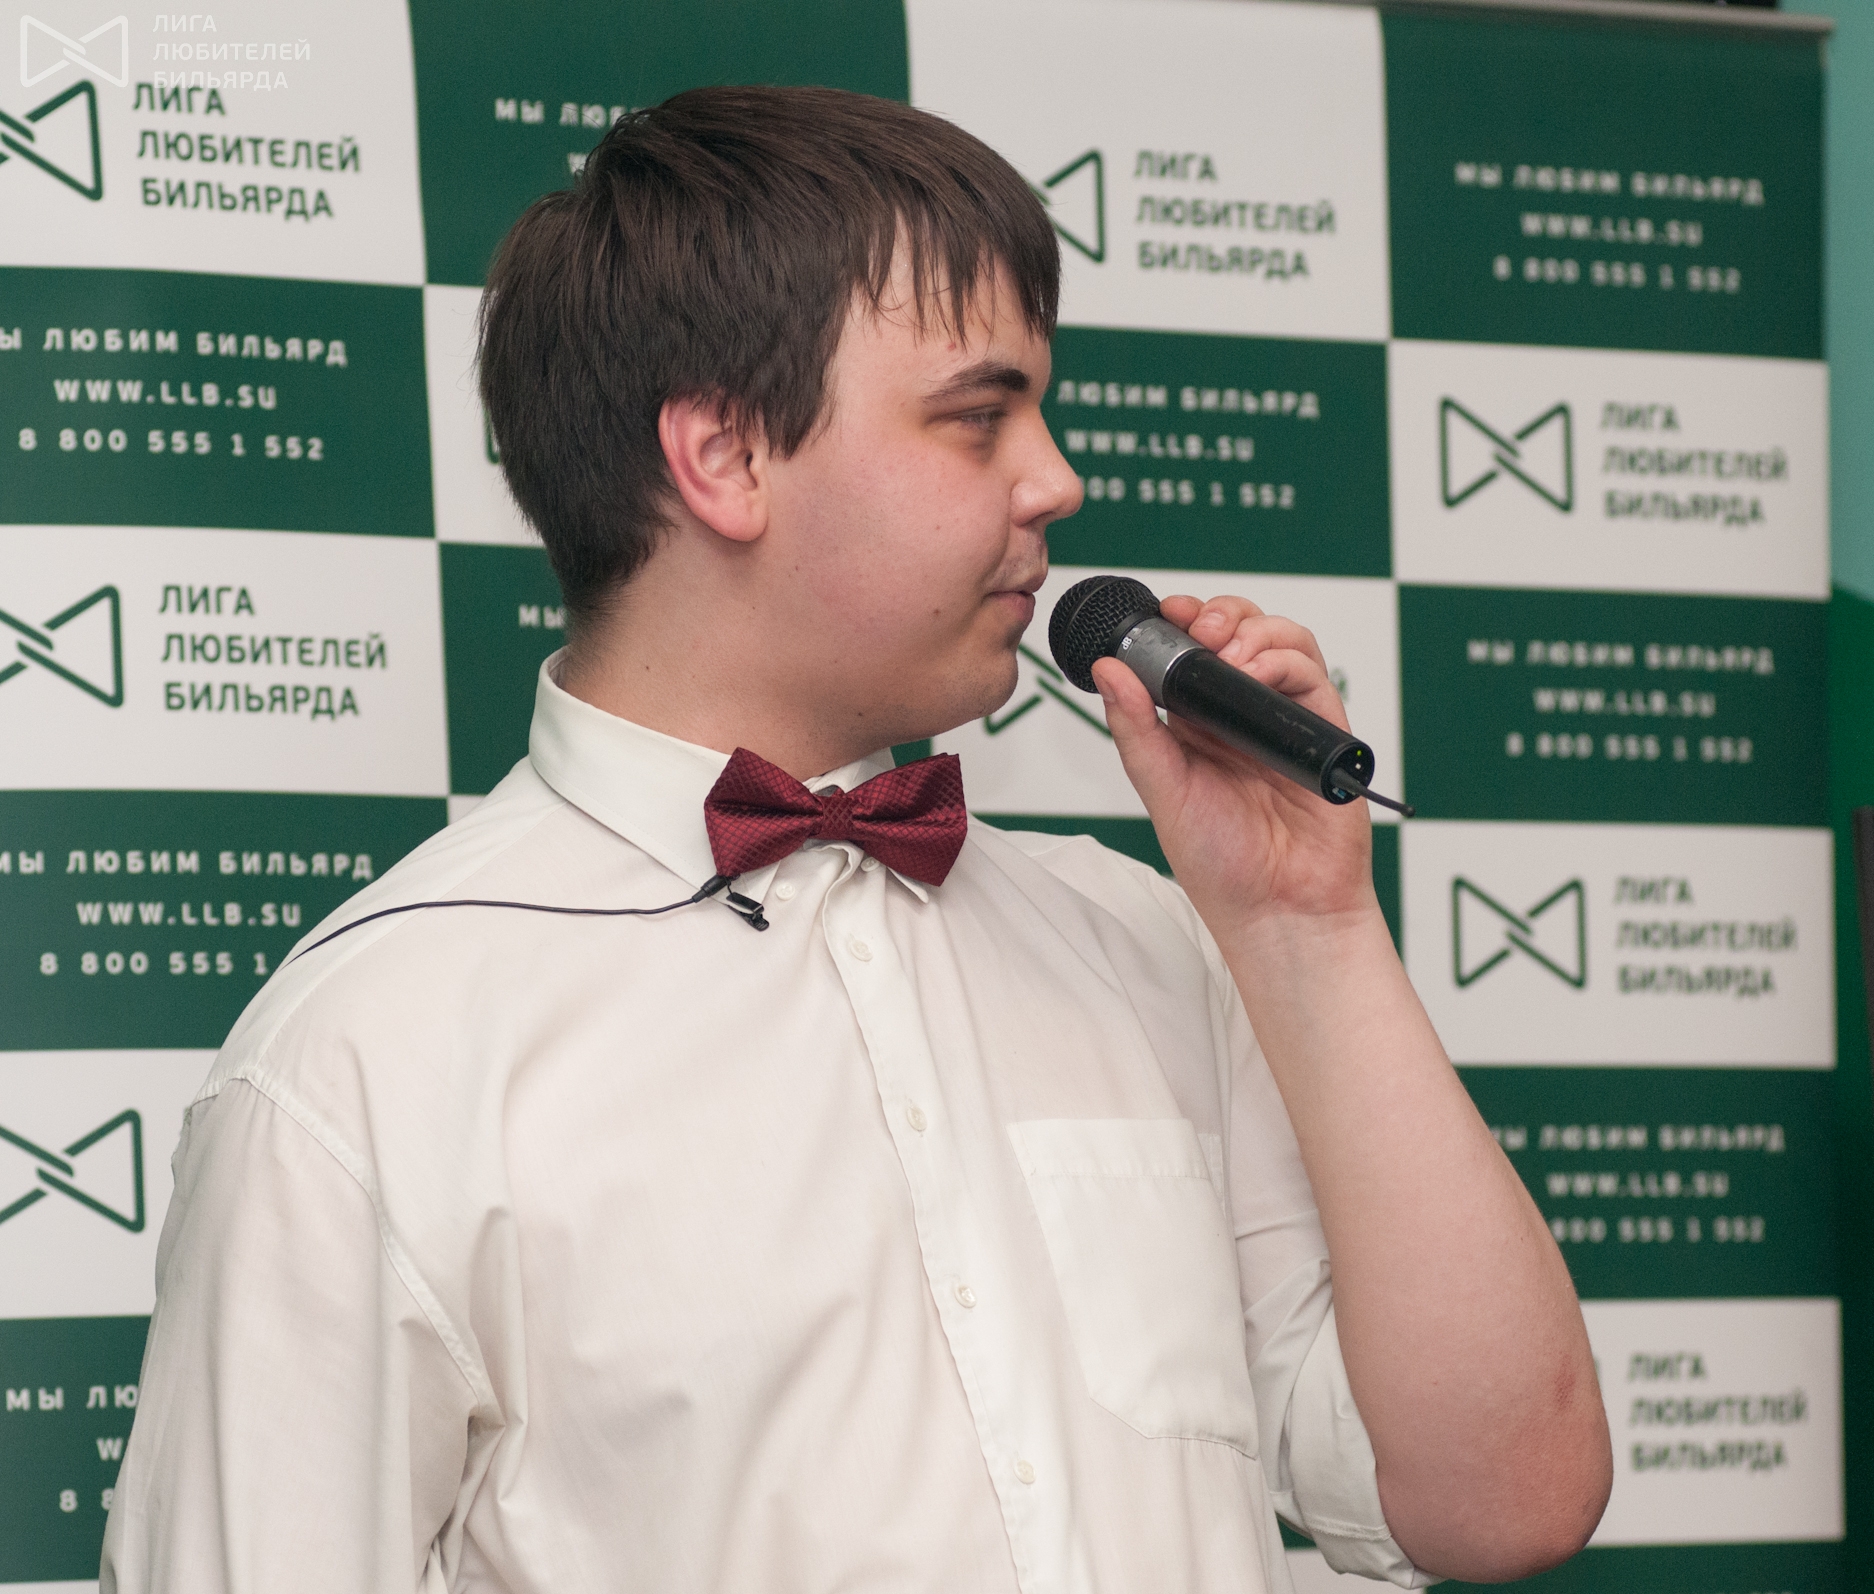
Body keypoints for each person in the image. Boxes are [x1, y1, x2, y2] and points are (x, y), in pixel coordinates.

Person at [100, 85, 1608, 1593]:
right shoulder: (367, 1057)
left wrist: (1306, 932)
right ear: (727, 455)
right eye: (979, 416)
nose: (1058, 481)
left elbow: (1507, 1501)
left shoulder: (1133, 936)